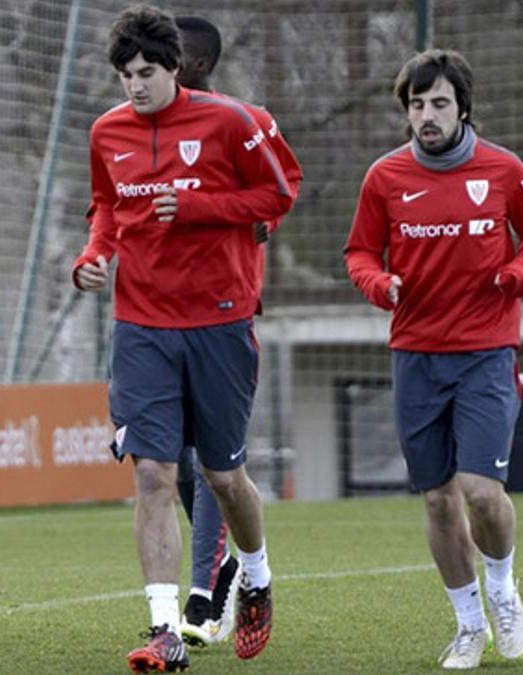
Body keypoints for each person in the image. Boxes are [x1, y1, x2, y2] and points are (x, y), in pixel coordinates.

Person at [73, 5, 295, 669]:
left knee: (223, 474)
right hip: (141, 323)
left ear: (174, 68)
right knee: (151, 472)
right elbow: (107, 204)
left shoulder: (229, 121)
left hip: (221, 319)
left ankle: (254, 573)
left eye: (145, 72)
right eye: (124, 74)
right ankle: (165, 626)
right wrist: (94, 253)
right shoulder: (107, 131)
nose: (134, 85)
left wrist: (198, 207)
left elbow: (276, 196)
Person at [344, 49, 523, 670]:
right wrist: (378, 285)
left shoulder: (504, 169)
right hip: (416, 356)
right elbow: (358, 252)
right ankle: (468, 626)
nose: (427, 115)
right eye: (416, 105)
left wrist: (519, 270)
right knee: (438, 500)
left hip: (487, 351)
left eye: (438, 103)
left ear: (463, 107)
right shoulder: (384, 177)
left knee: (482, 493)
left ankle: (503, 590)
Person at [172, 15, 304, 648]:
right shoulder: (138, 132)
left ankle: (204, 594)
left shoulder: (245, 120)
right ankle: (224, 563)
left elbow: (287, 183)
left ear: (193, 64)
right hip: (154, 316)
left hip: (224, 311)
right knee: (170, 465)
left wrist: (263, 225)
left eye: (162, 58)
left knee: (210, 465)